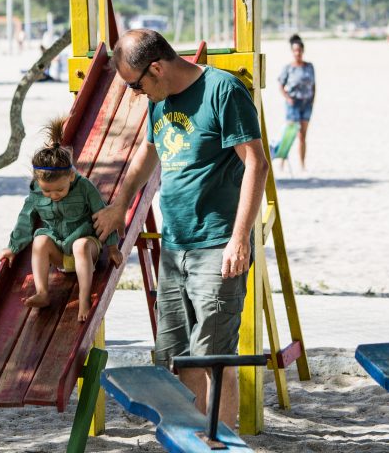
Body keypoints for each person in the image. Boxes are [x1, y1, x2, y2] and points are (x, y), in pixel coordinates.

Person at [92, 29, 269, 429]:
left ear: (156, 67)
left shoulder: (222, 91)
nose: (136, 94)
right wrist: (120, 205)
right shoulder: (159, 101)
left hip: (217, 245)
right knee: (179, 355)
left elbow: (256, 162)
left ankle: (219, 441)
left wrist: (239, 238)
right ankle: (192, 436)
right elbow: (148, 153)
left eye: (136, 86)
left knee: (214, 355)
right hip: (174, 247)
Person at [0, 118, 123, 322]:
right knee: (40, 241)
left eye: (59, 189)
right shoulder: (37, 193)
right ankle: (42, 293)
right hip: (59, 251)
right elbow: (25, 220)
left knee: (81, 245)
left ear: (71, 178)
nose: (53, 194)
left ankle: (84, 300)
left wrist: (112, 248)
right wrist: (13, 247)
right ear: (38, 182)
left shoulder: (84, 187)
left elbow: (103, 215)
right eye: (47, 190)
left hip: (86, 250)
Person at [277, 34, 316, 171]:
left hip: (306, 104)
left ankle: (302, 164)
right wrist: (287, 98)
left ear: (302, 51)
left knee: (302, 136)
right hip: (293, 104)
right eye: (295, 51)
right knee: (290, 134)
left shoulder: (309, 67)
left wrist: (312, 101)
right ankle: (282, 161)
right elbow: (280, 84)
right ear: (292, 52)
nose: (297, 53)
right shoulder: (288, 68)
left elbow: (313, 85)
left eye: (299, 50)